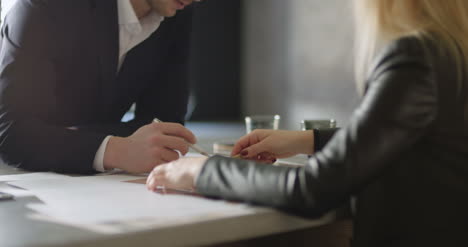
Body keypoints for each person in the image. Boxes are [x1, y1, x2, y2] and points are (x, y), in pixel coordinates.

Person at [147, 0, 468, 246]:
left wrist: (204, 172)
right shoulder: (452, 48)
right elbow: (405, 132)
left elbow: (314, 189)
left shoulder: (414, 56)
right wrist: (306, 140)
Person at [0, 0, 202, 174]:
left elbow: (166, 124)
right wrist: (117, 150)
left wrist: (71, 136)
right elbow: (12, 134)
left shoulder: (176, 13)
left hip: (100, 187)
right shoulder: (47, 4)